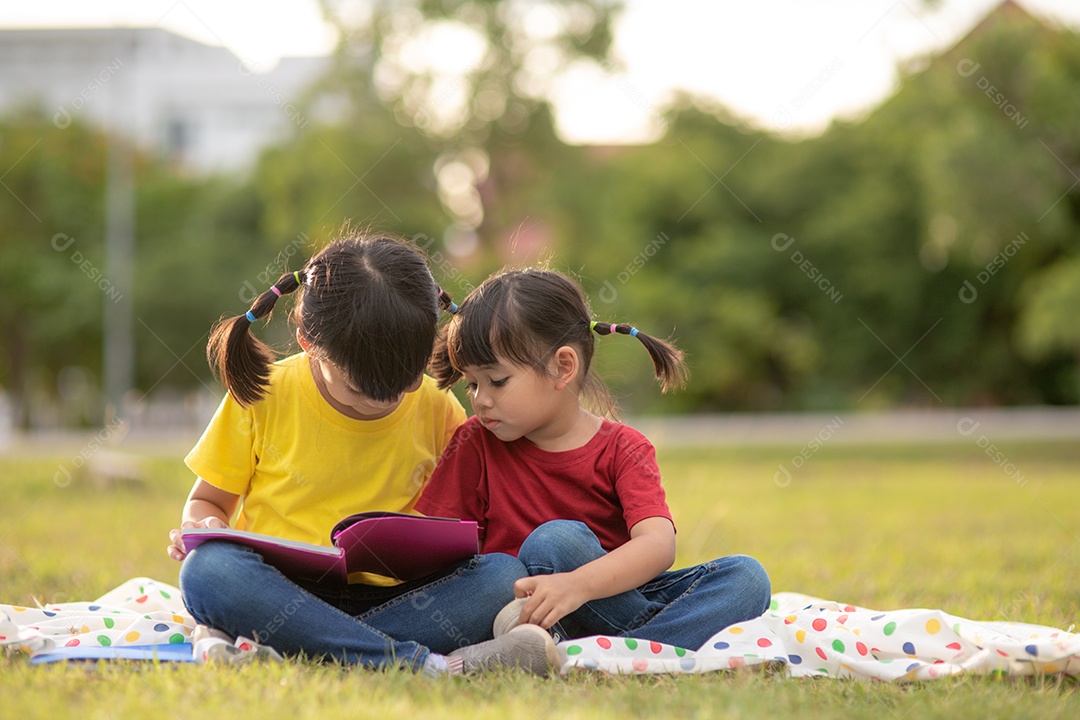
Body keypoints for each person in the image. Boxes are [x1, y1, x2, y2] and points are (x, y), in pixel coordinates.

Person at [167, 234, 558, 676]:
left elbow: (465, 521)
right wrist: (202, 525)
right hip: (282, 589)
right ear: (308, 343)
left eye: (406, 382)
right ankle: (422, 665)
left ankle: (301, 644)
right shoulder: (262, 395)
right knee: (209, 571)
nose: (385, 402)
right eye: (360, 389)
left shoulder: (438, 408)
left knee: (502, 575)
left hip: (401, 596)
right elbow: (209, 503)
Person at [415, 267, 771, 651]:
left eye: (497, 381)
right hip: (527, 614)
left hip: (614, 599)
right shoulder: (474, 443)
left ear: (562, 367)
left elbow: (658, 545)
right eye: (472, 383)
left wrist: (576, 586)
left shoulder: (624, 447)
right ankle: (651, 646)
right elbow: (444, 547)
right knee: (553, 544)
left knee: (747, 577)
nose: (480, 399)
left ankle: (622, 650)